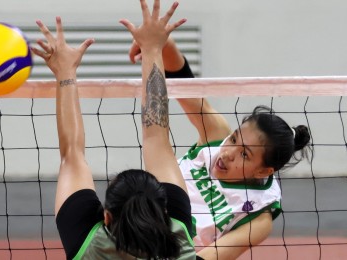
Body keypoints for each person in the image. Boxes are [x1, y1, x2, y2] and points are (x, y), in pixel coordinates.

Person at [32, 1, 201, 259]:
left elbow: (72, 156)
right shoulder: (179, 240)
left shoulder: (88, 245)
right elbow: (156, 138)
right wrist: (153, 48)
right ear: (164, 212)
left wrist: (65, 72)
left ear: (106, 217)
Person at [127, 37, 311, 259]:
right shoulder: (216, 135)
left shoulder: (258, 217)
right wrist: (165, 44)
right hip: (131, 228)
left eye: (244, 154)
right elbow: (184, 82)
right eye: (234, 139)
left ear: (263, 171)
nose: (228, 153)